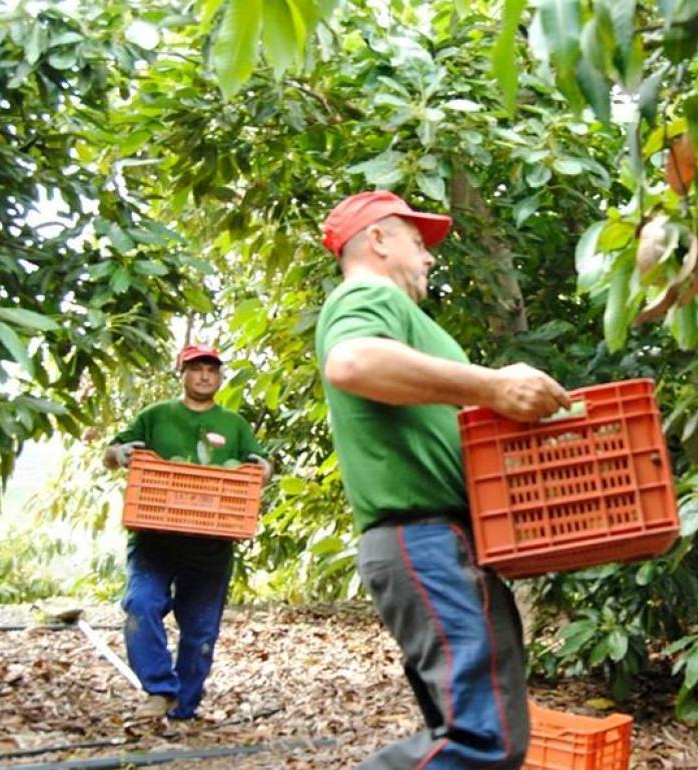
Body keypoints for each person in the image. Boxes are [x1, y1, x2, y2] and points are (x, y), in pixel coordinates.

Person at [316, 190, 571, 768]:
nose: (430, 256)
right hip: (424, 542)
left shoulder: (406, 319)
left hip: (439, 544)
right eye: (417, 241)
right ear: (378, 238)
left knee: (464, 732)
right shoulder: (366, 295)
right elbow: (352, 362)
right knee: (485, 739)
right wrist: (492, 385)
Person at [103, 344, 273, 720]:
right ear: (183, 373)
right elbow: (112, 452)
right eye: (196, 369)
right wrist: (120, 454)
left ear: (219, 377)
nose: (204, 376)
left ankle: (184, 708)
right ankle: (159, 689)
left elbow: (260, 466)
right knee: (140, 605)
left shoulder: (235, 425)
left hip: (210, 545)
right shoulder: (155, 416)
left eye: (211, 370)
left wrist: (264, 468)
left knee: (200, 633)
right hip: (155, 539)